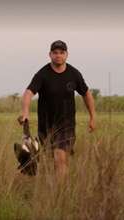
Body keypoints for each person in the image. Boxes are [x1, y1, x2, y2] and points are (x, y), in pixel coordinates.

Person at [17, 40, 97, 181]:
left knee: (60, 155)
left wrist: (93, 117)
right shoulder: (43, 74)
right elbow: (28, 93)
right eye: (55, 53)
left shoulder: (74, 74)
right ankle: (53, 192)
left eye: (61, 52)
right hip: (46, 126)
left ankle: (61, 194)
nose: (58, 55)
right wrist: (24, 111)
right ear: (50, 54)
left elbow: (86, 94)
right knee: (51, 161)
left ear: (67, 55)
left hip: (67, 125)